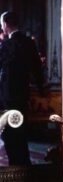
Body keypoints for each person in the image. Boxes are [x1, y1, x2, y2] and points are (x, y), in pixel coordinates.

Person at [0, 11, 44, 165]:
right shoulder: (29, 43)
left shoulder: (6, 44)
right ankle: (24, 165)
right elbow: (37, 70)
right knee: (21, 131)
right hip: (23, 96)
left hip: (6, 98)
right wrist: (42, 91)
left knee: (10, 134)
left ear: (5, 25)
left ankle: (15, 166)